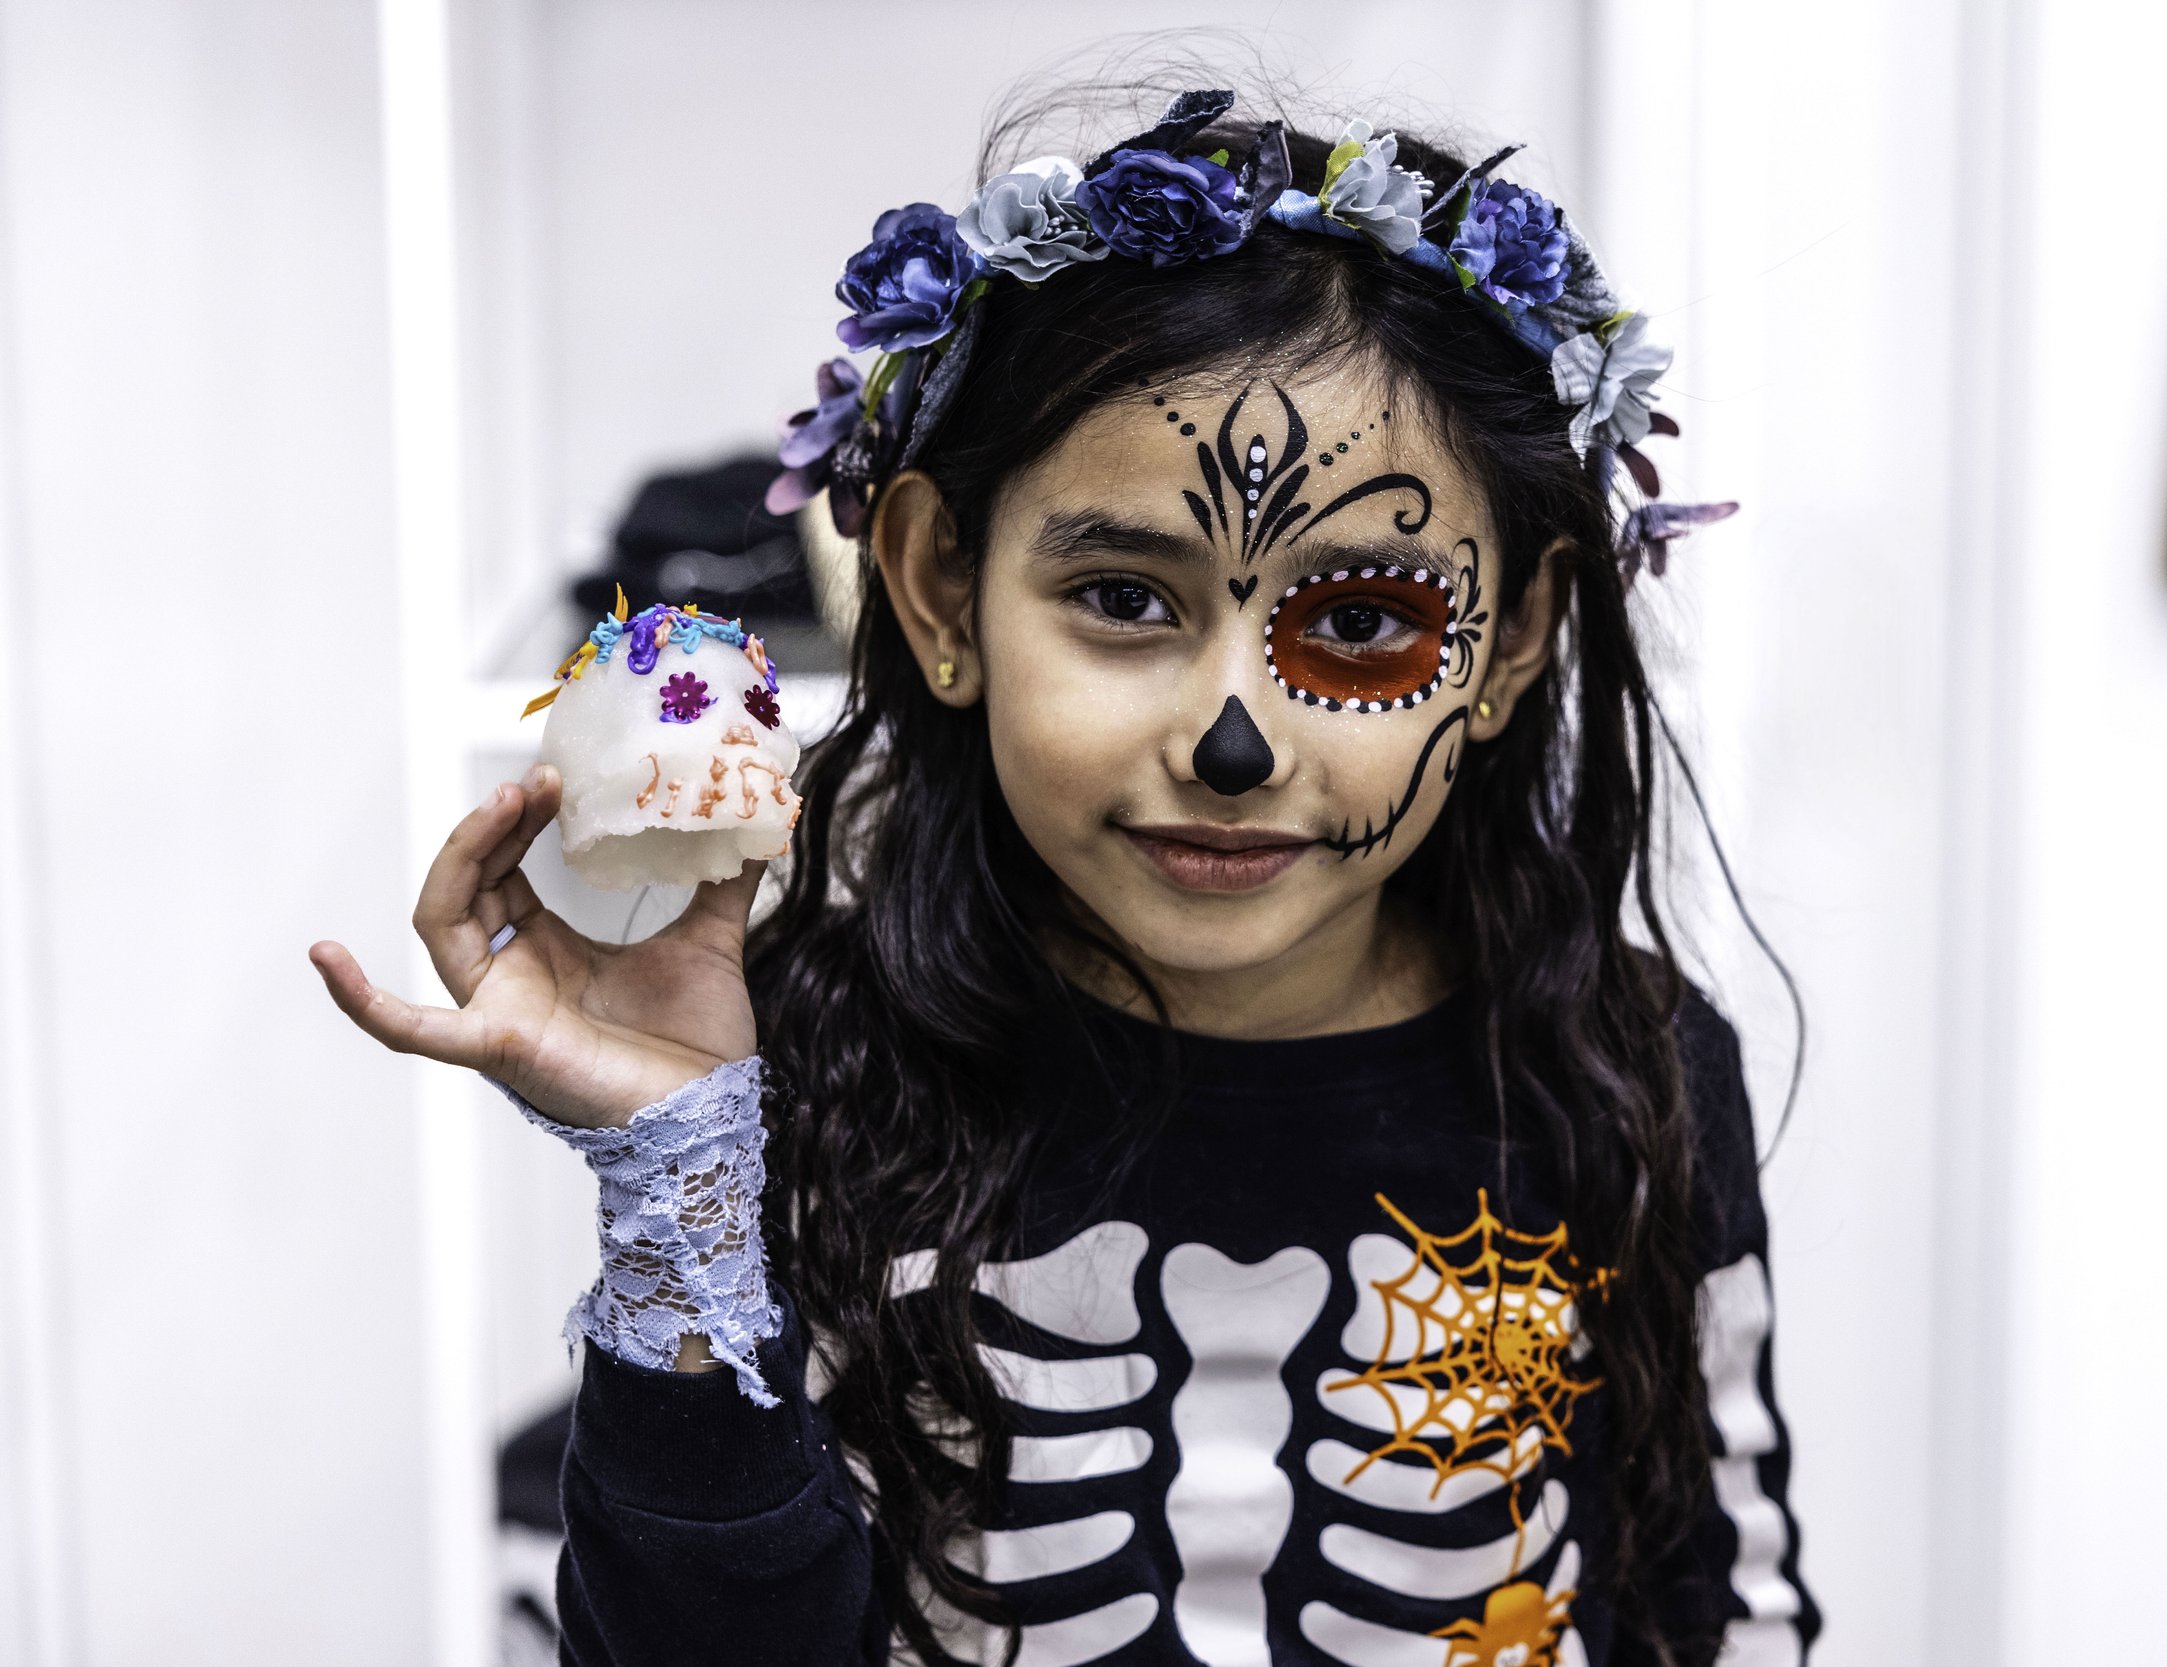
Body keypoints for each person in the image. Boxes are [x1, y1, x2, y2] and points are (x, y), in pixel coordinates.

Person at [309, 88, 1819, 1667]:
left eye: (1360, 623)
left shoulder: (1621, 1071)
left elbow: (1728, 1605)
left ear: (1507, 646)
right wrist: (677, 1195)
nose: (1233, 742)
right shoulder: (814, 1069)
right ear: (938, 590)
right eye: (1122, 598)